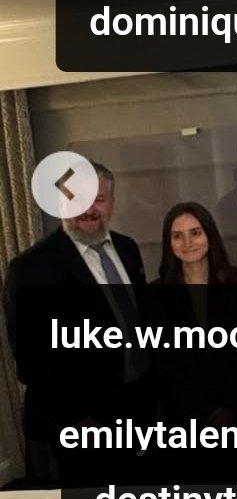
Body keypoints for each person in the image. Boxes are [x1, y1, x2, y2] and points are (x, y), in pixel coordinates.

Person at [3, 161, 147, 480]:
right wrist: (74, 422)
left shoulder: (128, 249)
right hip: (80, 427)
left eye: (99, 199)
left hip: (137, 411)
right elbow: (30, 359)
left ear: (111, 203)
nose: (89, 209)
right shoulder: (30, 268)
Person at [149, 202, 237, 443]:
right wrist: (196, 413)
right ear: (169, 243)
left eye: (195, 233)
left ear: (210, 235)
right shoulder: (156, 295)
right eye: (178, 236)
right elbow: (163, 363)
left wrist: (230, 407)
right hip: (184, 422)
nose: (188, 243)